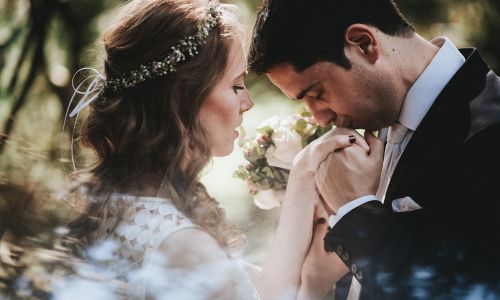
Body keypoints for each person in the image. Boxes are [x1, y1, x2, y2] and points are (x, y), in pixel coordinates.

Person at [62, 0, 353, 299]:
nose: (248, 103)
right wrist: (316, 283)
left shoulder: (122, 207)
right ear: (182, 100)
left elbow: (267, 291)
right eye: (237, 86)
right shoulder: (186, 249)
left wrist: (303, 175)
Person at [248, 0, 500, 299]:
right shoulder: (373, 117)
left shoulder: (490, 131)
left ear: (364, 44)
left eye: (317, 93)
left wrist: (356, 211)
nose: (318, 118)